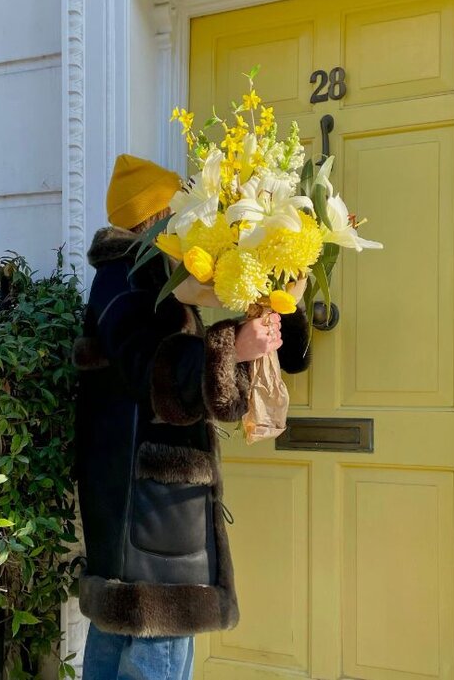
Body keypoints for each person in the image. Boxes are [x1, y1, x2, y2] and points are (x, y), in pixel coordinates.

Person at [73, 154, 310, 680]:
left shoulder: (143, 278)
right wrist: (233, 346)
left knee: (117, 641)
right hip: (152, 502)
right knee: (156, 645)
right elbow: (150, 369)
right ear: (153, 220)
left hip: (137, 495)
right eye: (178, 211)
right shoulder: (130, 277)